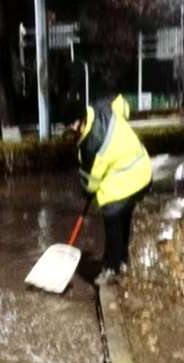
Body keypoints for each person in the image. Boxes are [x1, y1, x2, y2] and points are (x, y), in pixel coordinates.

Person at [63, 94, 152, 285]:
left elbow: (91, 183)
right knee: (123, 215)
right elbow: (122, 105)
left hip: (129, 176)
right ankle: (122, 262)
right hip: (143, 168)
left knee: (110, 211)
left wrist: (86, 192)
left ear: (82, 120)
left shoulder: (90, 145)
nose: (71, 129)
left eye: (72, 124)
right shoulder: (102, 106)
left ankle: (111, 269)